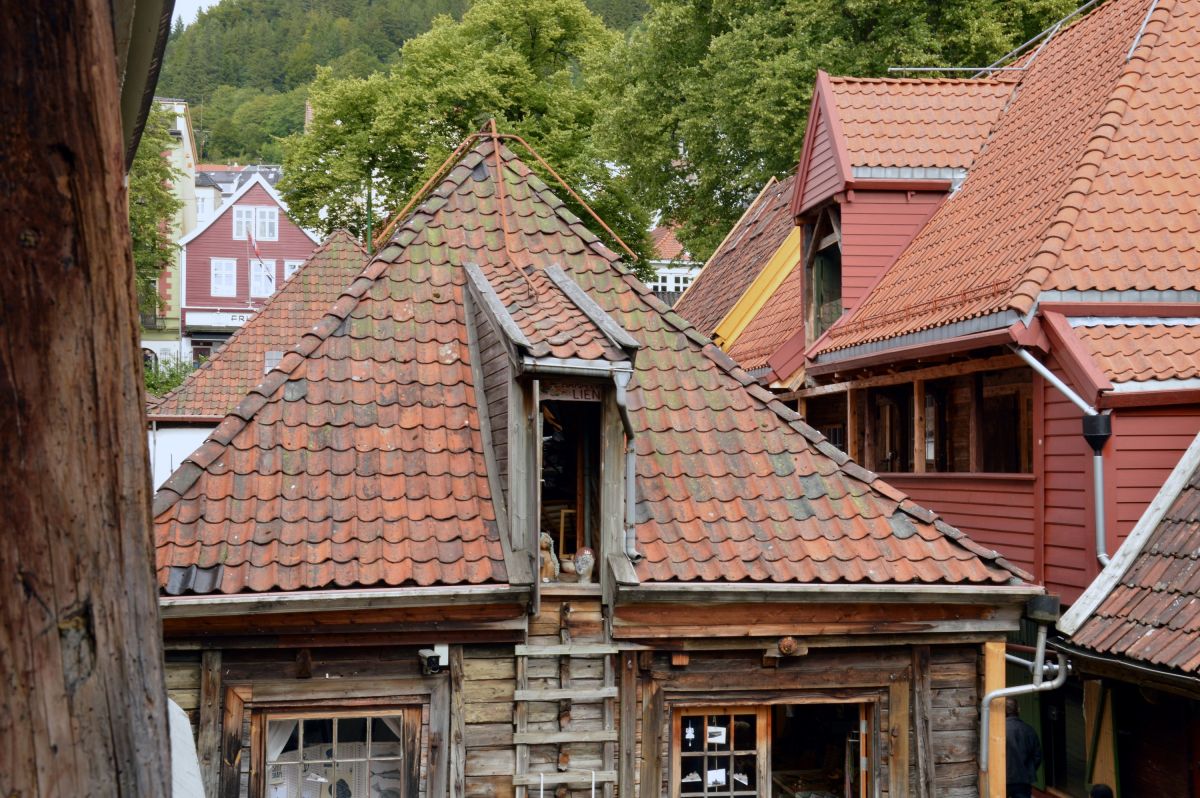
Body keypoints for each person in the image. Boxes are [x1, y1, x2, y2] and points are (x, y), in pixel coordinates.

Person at [1006, 697, 1042, 798]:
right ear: (1018, 709)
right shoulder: (1029, 730)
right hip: (1023, 780)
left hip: (1003, 778)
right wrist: (1028, 770)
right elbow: (1037, 756)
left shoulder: (997, 732)